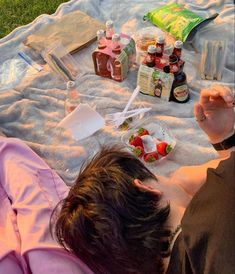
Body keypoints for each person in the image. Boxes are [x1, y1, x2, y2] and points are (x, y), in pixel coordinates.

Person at [0, 85, 234, 274]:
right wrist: (224, 138)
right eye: (159, 176)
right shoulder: (225, 192)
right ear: (145, 188)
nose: (171, 176)